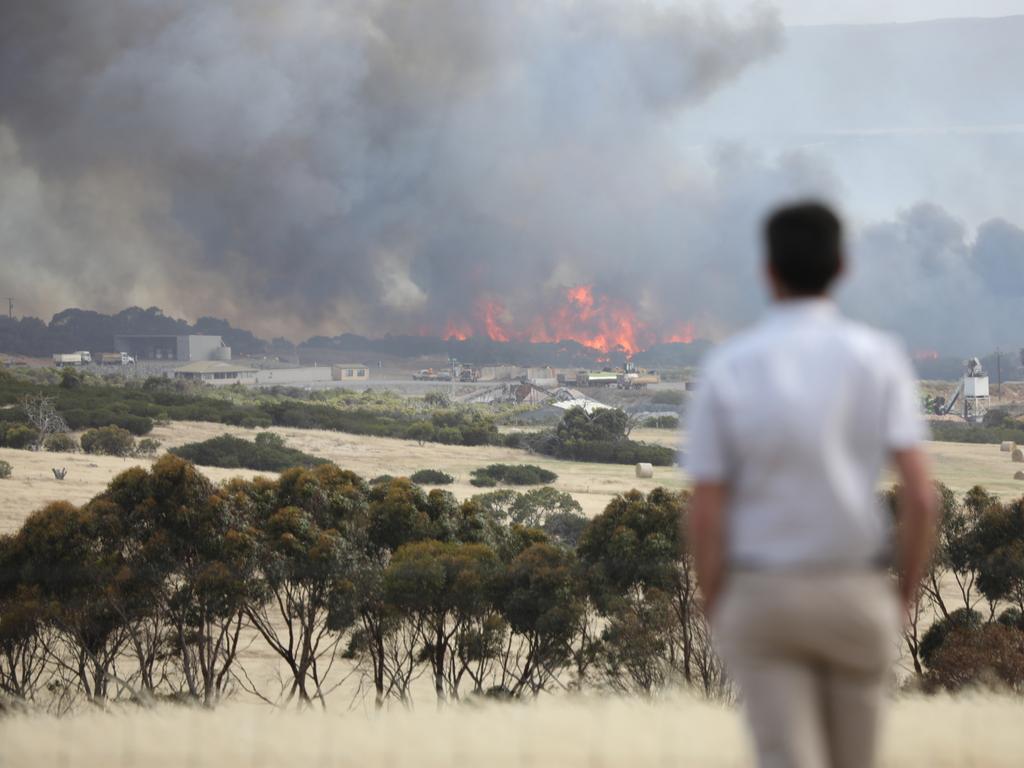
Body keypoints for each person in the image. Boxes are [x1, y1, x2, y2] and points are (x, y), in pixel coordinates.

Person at [685, 202, 938, 768]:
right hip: (856, 591)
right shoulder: (879, 358)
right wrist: (903, 597)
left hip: (763, 592)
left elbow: (705, 510)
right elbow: (921, 496)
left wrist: (715, 602)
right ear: (842, 266)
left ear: (767, 270)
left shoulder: (728, 367)